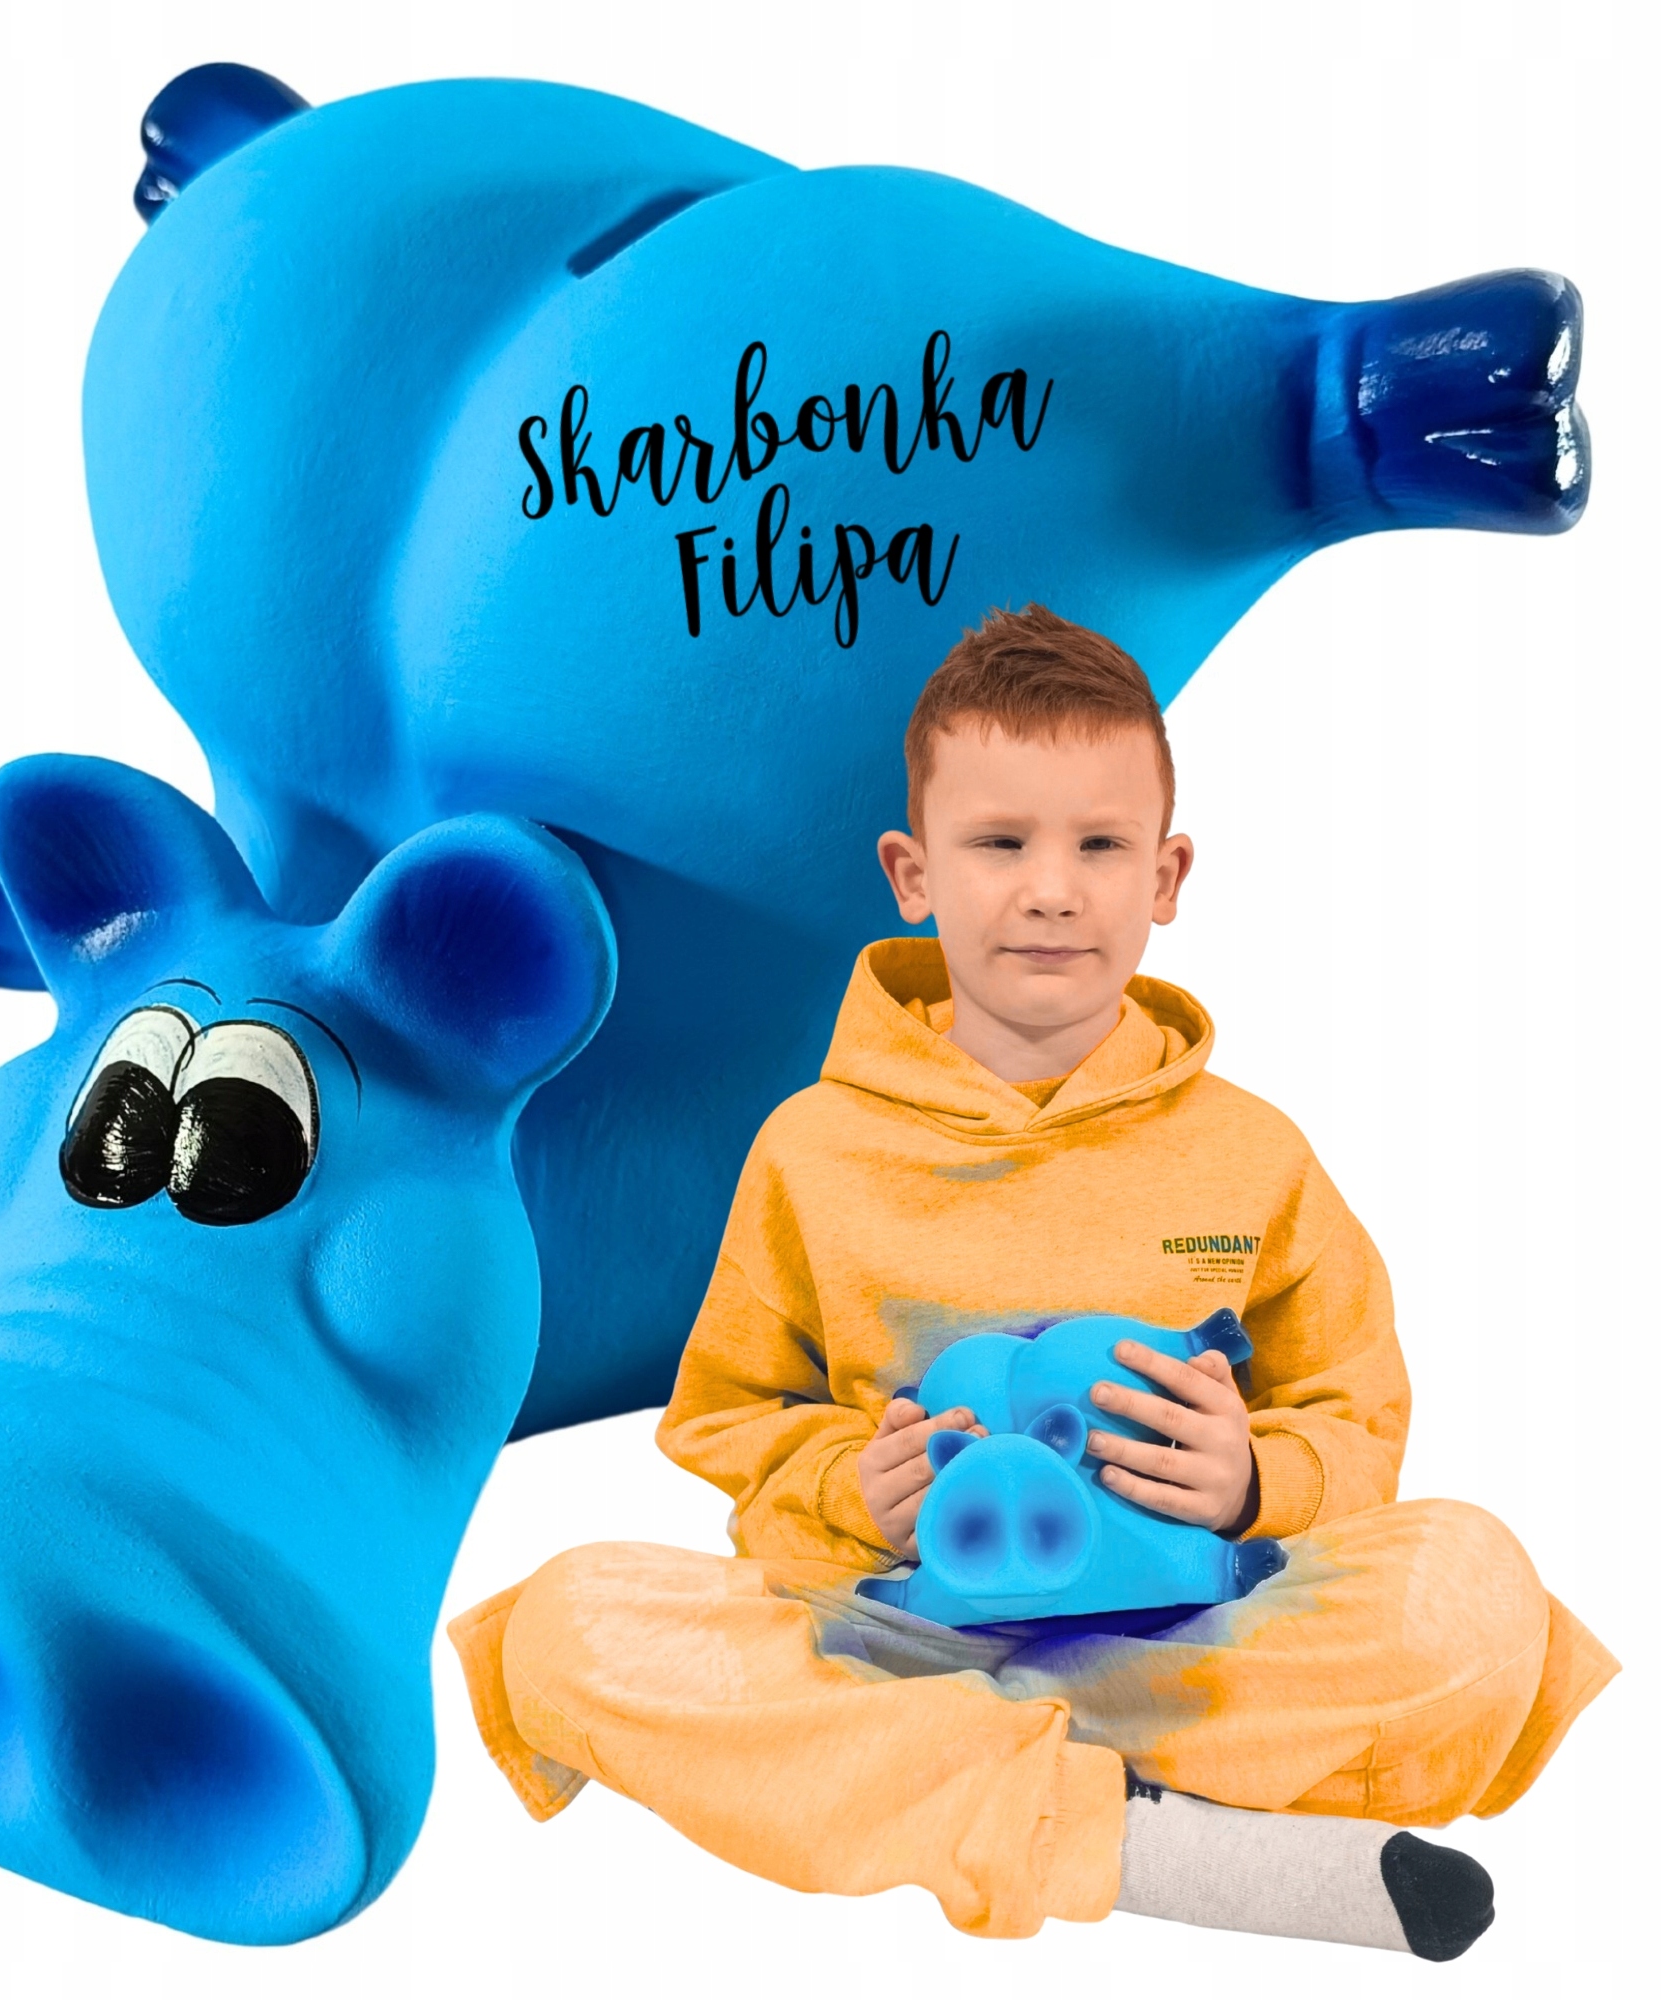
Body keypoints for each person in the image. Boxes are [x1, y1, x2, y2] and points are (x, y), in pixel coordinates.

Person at [448, 605, 1617, 1959]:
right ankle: (1154, 1838)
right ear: (913, 874)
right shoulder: (813, 1152)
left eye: (1100, 846)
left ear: (1167, 876)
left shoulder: (1253, 1155)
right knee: (567, 1627)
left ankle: (960, 1787)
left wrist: (1253, 1480)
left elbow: (1358, 1411)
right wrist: (850, 1488)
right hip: (906, 1627)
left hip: (1195, 1627)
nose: (1052, 890)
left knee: (1478, 1593)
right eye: (1000, 843)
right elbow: (730, 1413)